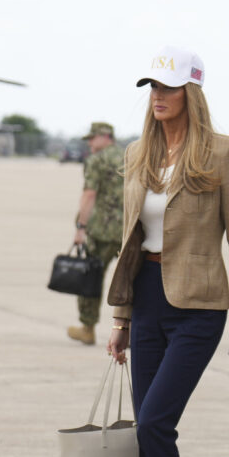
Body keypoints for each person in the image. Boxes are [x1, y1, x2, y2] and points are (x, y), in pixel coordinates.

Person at [107, 46, 229, 457]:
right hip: (146, 299)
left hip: (199, 307)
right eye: (153, 87)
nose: (159, 97)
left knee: (154, 424)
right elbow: (130, 242)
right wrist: (121, 320)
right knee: (148, 435)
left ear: (191, 92)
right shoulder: (137, 154)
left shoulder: (222, 152)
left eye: (169, 88)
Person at [68, 121, 124, 344]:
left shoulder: (96, 160)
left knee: (91, 278)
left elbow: (89, 194)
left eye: (92, 138)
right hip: (129, 231)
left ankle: (88, 327)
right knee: (131, 282)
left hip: (102, 230)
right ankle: (131, 331)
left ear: (106, 137)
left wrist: (81, 227)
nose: (90, 143)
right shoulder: (129, 157)